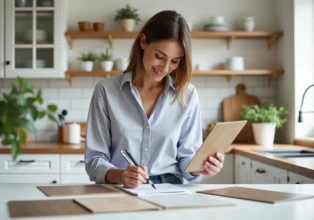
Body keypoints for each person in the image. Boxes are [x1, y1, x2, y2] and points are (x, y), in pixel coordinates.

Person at [85, 10, 224, 188]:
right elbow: (94, 159)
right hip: (121, 187)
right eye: (159, 56)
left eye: (175, 61)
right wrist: (120, 175)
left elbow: (187, 157)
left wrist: (200, 168)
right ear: (143, 42)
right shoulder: (106, 91)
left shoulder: (187, 95)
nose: (165, 68)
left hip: (171, 188)